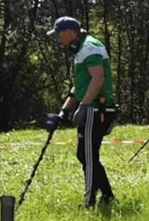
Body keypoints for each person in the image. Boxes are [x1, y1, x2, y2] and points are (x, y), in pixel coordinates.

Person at [46, 17, 117, 208]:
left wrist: (84, 106)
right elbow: (79, 86)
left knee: (88, 155)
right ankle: (107, 195)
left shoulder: (89, 48)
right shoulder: (80, 50)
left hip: (96, 108)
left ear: (69, 32)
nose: (58, 40)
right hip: (91, 106)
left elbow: (98, 78)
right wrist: (63, 112)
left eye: (59, 35)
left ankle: (90, 201)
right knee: (84, 154)